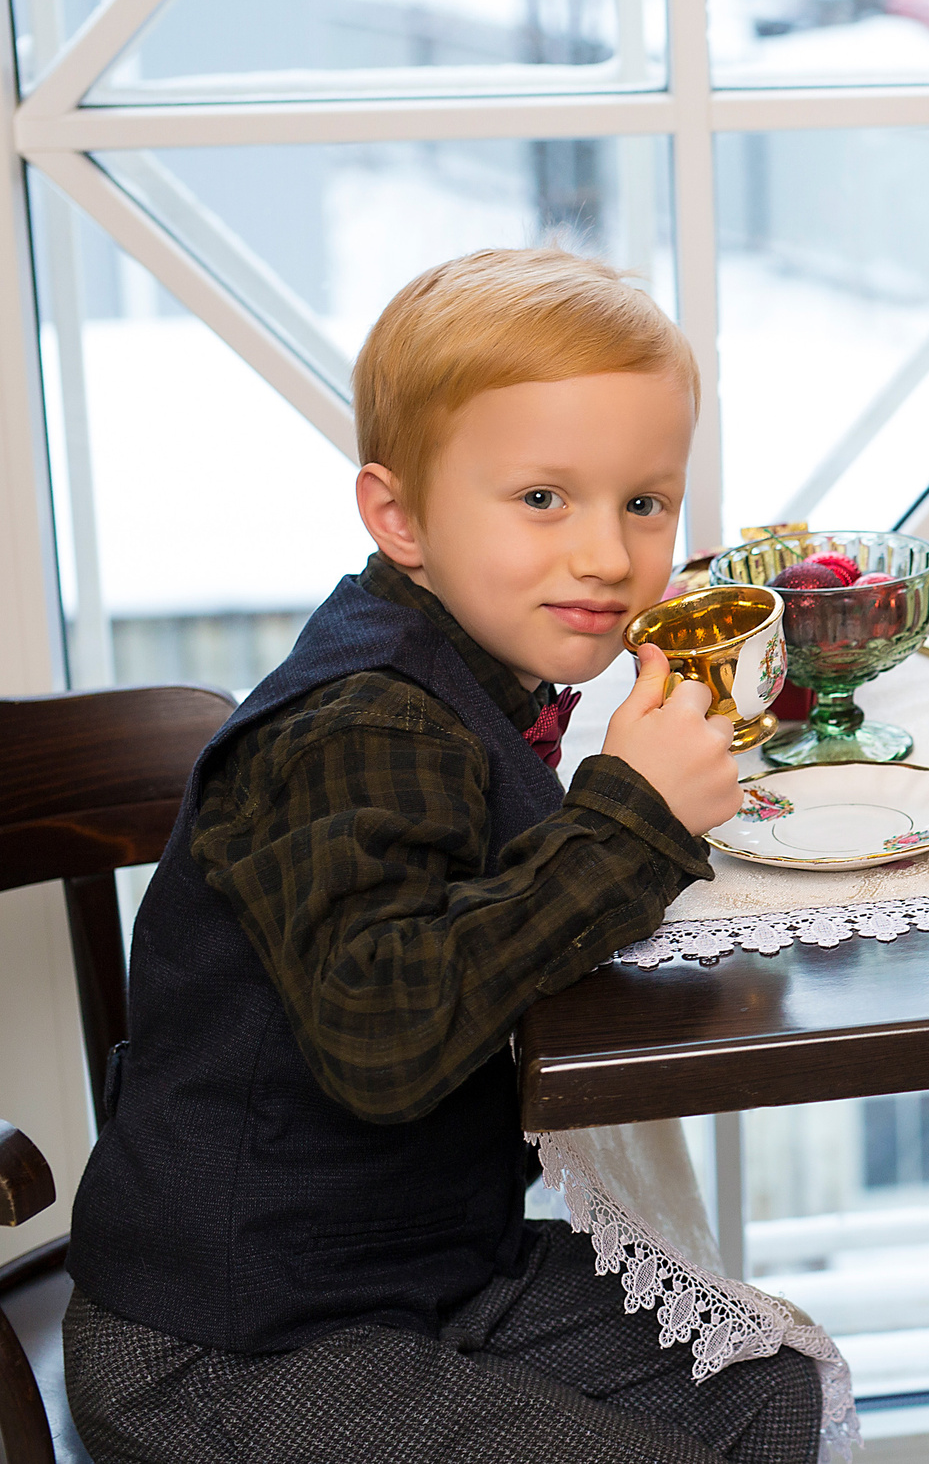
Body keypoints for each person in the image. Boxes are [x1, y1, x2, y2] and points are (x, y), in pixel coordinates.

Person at [64, 248, 820, 1463]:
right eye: (540, 500)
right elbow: (384, 1032)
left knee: (763, 1381)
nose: (605, 555)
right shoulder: (364, 720)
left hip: (424, 1265)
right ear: (399, 517)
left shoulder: (481, 674)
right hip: (234, 1337)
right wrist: (630, 821)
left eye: (644, 502)